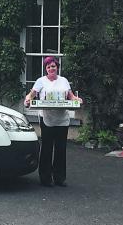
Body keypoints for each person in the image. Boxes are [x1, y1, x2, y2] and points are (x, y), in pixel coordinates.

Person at [24, 56, 82, 187]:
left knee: (61, 149)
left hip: (62, 119)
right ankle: (45, 178)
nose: (51, 68)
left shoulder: (64, 81)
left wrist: (77, 100)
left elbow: (71, 96)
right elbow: (31, 95)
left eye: (53, 66)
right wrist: (27, 100)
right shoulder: (41, 81)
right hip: (47, 118)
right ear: (46, 69)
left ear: (57, 67)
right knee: (47, 148)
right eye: (49, 66)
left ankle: (59, 178)